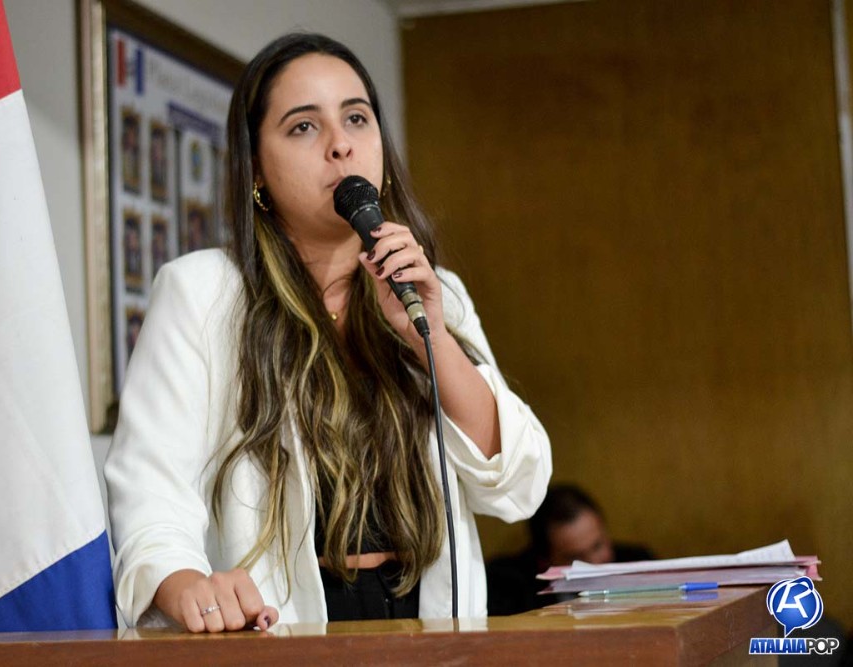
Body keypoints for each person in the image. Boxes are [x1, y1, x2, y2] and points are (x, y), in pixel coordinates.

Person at [104, 32, 552, 633]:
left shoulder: (434, 290)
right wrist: (186, 585)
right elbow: (150, 491)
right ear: (256, 168)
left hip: (427, 625)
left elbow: (519, 485)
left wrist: (431, 340)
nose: (341, 145)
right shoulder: (203, 292)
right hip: (288, 631)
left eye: (357, 118)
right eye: (303, 127)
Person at [486, 484, 653, 616]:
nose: (593, 564)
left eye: (597, 546)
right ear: (545, 559)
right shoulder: (509, 588)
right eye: (575, 558)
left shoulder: (640, 566)